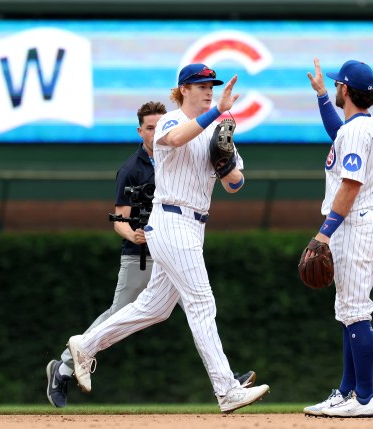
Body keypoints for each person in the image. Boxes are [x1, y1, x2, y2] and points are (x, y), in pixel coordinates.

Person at [64, 64, 270, 413]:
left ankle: (86, 344)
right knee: (202, 303)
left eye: (211, 85)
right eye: (200, 85)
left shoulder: (216, 130)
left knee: (153, 309)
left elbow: (235, 185)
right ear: (183, 90)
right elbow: (174, 140)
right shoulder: (171, 121)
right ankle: (226, 389)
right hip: (171, 219)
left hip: (194, 225)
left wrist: (225, 162)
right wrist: (218, 112)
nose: (208, 90)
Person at [302, 59, 373, 418]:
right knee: (349, 311)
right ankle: (349, 391)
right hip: (365, 221)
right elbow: (339, 134)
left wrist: (324, 232)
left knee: (355, 311)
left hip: (355, 224)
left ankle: (364, 398)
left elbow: (350, 185)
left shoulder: (356, 131)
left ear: (347, 90)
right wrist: (322, 96)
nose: (336, 88)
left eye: (337, 85)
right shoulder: (363, 126)